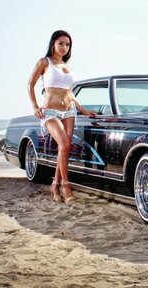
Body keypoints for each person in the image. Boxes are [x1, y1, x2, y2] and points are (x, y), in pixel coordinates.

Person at [27, 30, 96, 204]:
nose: (64, 47)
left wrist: (83, 109)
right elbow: (30, 84)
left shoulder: (67, 66)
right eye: (61, 43)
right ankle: (66, 186)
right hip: (50, 111)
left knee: (63, 149)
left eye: (67, 44)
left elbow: (69, 92)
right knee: (65, 144)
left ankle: (55, 185)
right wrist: (35, 106)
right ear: (53, 44)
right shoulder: (44, 62)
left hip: (69, 111)